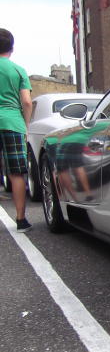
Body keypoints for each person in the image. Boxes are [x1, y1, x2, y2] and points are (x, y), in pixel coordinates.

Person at [0, 29, 33, 232]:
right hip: (13, 123)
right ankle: (21, 219)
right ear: (12, 48)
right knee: (17, 173)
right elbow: (27, 102)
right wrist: (26, 125)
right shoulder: (19, 70)